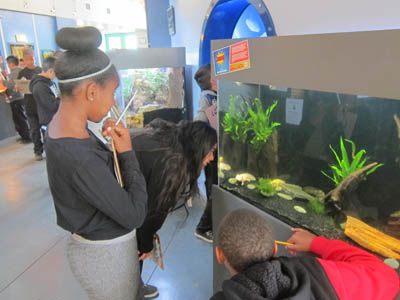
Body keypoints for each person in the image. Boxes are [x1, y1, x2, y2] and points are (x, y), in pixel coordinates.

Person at [45, 26, 148, 300]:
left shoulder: (63, 124)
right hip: (106, 258)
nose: (114, 100)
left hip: (96, 249)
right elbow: (135, 215)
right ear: (91, 91)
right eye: (113, 92)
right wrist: (127, 153)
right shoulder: (78, 157)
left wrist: (109, 146)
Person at [101, 117, 217, 298]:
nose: (211, 158)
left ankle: (134, 286)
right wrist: (146, 244)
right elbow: (154, 213)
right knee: (135, 252)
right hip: (119, 201)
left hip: (117, 187)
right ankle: (132, 291)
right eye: (211, 151)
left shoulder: (170, 136)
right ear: (199, 148)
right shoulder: (174, 165)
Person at [211, 209, 400, 300]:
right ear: (275, 249)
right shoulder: (323, 277)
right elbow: (389, 277)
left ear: (220, 255)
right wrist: (319, 244)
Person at [194, 64, 218, 243]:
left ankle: (211, 223)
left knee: (214, 188)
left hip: (214, 152)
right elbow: (199, 122)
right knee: (213, 191)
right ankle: (203, 228)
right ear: (213, 81)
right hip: (211, 153)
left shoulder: (211, 96)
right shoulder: (207, 98)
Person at [17, 48, 42, 160]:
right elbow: (19, 87)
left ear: (34, 58)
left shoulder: (40, 70)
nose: (29, 61)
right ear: (24, 60)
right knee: (34, 130)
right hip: (29, 105)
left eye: (31, 59)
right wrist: (18, 87)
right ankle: (38, 151)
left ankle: (50, 149)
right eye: (27, 59)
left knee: (46, 129)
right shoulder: (22, 73)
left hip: (41, 104)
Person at [2, 55, 31, 142]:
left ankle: (27, 137)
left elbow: (10, 85)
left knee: (20, 118)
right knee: (19, 118)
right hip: (20, 98)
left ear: (11, 64)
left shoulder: (15, 72)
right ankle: (24, 135)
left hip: (17, 99)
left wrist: (2, 81)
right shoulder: (20, 71)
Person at [29, 56, 59, 128]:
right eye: (56, 73)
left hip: (55, 118)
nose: (57, 76)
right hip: (49, 121)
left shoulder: (49, 81)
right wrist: (64, 97)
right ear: (50, 71)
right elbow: (51, 106)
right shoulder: (40, 86)